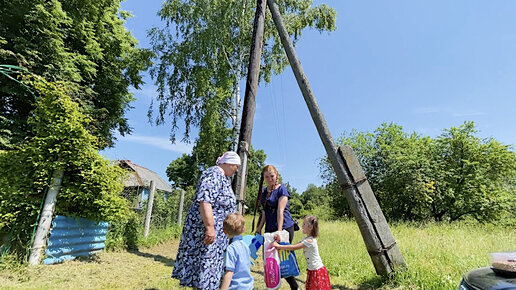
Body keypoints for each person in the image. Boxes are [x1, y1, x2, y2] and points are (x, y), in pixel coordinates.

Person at [171, 151, 241, 289]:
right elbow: (205, 200)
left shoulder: (223, 178)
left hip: (218, 235)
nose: (237, 169)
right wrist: (210, 227)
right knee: (203, 268)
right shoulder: (213, 174)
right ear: (228, 163)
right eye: (236, 166)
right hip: (204, 231)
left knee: (208, 270)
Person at [254, 164, 299, 290]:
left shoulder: (282, 190)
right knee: (270, 260)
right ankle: (274, 286)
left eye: (272, 176)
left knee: (282, 258)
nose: (270, 179)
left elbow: (280, 211)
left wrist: (279, 232)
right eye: (266, 177)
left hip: (284, 228)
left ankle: (294, 287)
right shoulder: (264, 191)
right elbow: (263, 212)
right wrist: (259, 228)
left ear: (276, 175)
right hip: (269, 229)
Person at [271, 215, 331, 290]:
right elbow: (293, 245)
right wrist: (281, 242)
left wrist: (278, 246)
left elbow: (294, 247)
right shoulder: (306, 239)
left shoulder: (310, 241)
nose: (302, 226)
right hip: (312, 269)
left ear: (310, 227)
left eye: (304, 224)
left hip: (317, 270)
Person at [220, 213, 254, 290]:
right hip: (248, 286)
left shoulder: (230, 249)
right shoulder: (245, 245)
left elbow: (229, 272)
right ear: (243, 229)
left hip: (236, 287)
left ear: (224, 231)